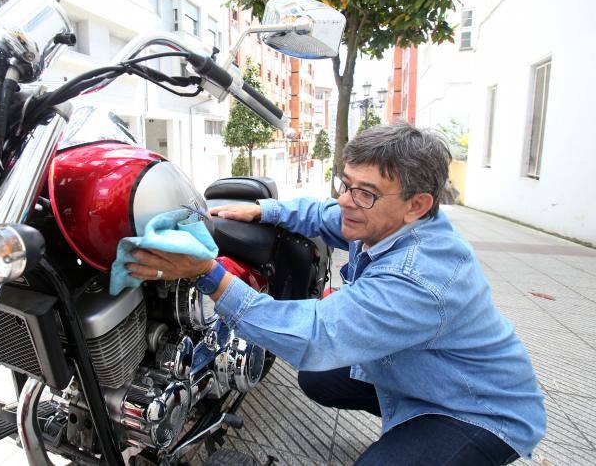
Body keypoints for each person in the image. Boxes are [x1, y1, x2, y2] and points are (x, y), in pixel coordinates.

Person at [126, 124, 546, 465]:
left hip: (477, 407)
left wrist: (207, 274)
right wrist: (265, 210)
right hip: (426, 370)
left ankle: (440, 439)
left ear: (417, 205)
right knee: (318, 378)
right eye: (345, 184)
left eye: (364, 193)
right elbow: (325, 214)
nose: (346, 201)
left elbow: (314, 335)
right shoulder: (385, 221)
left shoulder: (419, 276)